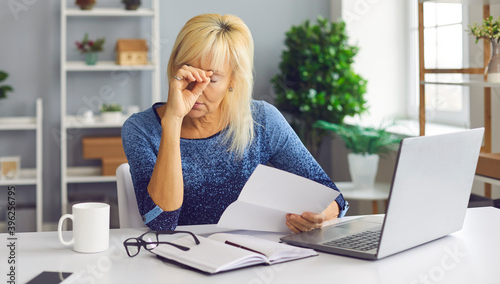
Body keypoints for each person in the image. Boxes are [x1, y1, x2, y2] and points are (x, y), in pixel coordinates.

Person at [121, 13, 348, 233]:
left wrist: (319, 217)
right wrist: (173, 119)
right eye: (188, 74)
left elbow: (334, 198)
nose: (195, 89)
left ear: (233, 80)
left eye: (212, 79)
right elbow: (162, 222)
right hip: (180, 257)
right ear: (174, 71)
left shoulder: (261, 120)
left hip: (251, 257)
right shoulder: (140, 129)